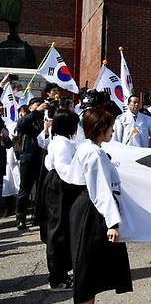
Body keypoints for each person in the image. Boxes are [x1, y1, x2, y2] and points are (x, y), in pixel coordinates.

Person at [68, 108, 132, 303]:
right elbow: (101, 190)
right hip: (91, 210)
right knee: (87, 269)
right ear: (100, 128)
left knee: (90, 269)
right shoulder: (94, 153)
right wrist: (112, 223)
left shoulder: (86, 147)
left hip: (84, 205)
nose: (112, 131)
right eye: (110, 127)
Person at [42, 109, 80, 291]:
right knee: (57, 231)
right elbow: (64, 168)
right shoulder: (63, 143)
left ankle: (60, 274)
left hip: (56, 183)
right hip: (61, 186)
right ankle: (57, 278)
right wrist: (81, 180)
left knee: (59, 229)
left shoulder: (58, 140)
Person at [14, 97, 47, 230]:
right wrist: (36, 112)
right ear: (31, 106)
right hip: (27, 157)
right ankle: (20, 218)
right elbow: (21, 125)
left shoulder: (43, 119)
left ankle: (38, 216)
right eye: (37, 105)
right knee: (25, 189)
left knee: (41, 189)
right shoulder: (27, 118)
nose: (41, 107)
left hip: (42, 157)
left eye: (41, 105)